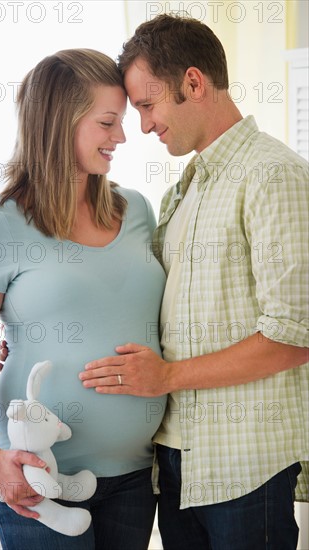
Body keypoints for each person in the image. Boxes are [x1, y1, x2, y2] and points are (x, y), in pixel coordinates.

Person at [79, 15, 309, 550]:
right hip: (177, 464)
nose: (143, 125)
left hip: (246, 466)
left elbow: (294, 335)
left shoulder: (274, 175)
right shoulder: (182, 192)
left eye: (147, 104)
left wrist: (166, 377)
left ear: (194, 83)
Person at [0, 48, 167, 550]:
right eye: (107, 122)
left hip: (135, 475)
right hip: (37, 477)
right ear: (58, 123)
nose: (122, 137)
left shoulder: (137, 211)